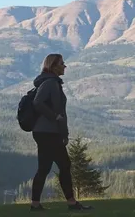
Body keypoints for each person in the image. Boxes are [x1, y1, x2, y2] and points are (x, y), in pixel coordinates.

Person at [29, 53, 92, 212]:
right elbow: (38, 102)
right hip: (48, 132)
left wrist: (63, 131)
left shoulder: (49, 82)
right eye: (62, 63)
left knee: (44, 168)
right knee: (64, 165)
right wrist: (55, 117)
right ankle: (71, 203)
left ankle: (36, 205)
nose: (65, 66)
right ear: (53, 66)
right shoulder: (50, 83)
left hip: (44, 132)